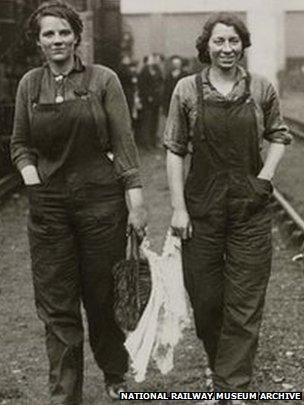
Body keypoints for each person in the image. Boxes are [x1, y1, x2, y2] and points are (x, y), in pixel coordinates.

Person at [10, 1, 147, 404]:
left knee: (102, 297)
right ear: (38, 41)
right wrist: (34, 182)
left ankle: (114, 372)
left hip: (102, 204)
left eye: (63, 32)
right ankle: (65, 394)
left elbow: (125, 146)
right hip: (49, 208)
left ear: (76, 36)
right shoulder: (29, 85)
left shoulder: (104, 80)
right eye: (48, 34)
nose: (57, 40)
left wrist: (136, 204)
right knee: (56, 305)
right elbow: (20, 144)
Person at [164, 12, 292, 404]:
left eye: (233, 41)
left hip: (248, 207)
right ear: (207, 46)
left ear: (243, 44)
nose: (226, 49)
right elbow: (173, 151)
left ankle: (231, 386)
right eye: (219, 41)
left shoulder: (260, 87)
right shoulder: (187, 90)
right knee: (205, 298)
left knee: (245, 297)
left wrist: (264, 179)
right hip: (201, 207)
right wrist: (178, 209)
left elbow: (279, 136)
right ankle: (223, 366)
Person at [138, 54, 163, 149]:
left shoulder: (157, 70)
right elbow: (142, 86)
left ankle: (153, 142)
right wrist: (148, 95)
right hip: (147, 101)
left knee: (155, 121)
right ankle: (146, 143)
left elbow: (160, 82)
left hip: (156, 100)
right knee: (147, 121)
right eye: (151, 59)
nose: (153, 60)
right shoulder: (144, 71)